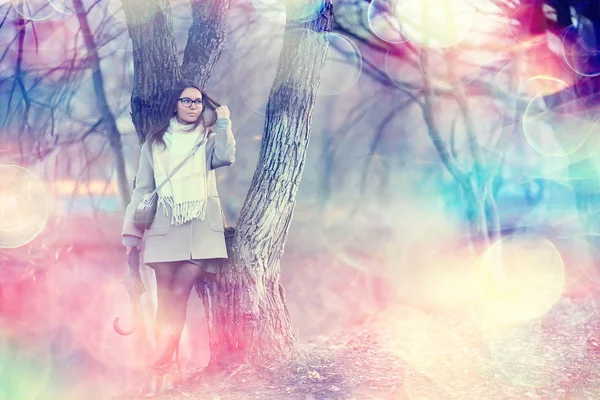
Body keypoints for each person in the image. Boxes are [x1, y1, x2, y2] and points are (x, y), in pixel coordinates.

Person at [121, 79, 236, 397]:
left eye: (198, 102)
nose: (193, 106)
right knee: (165, 303)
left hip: (199, 229)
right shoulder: (154, 144)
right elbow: (143, 190)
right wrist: (131, 234)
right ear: (175, 104)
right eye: (187, 101)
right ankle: (168, 367)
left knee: (179, 296)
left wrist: (224, 123)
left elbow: (226, 158)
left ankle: (155, 368)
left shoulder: (208, 139)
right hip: (162, 227)